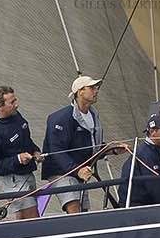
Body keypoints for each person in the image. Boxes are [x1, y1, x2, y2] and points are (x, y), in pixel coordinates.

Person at [41, 75, 127, 214]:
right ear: (80, 91)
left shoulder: (93, 115)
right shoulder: (60, 118)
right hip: (62, 173)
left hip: (81, 172)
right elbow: (56, 150)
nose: (96, 90)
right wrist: (77, 170)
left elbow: (93, 146)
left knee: (84, 210)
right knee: (74, 208)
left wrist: (113, 150)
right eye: (92, 87)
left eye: (96, 87)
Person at [0, 85, 41, 221]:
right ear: (0, 106)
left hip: (27, 173)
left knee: (22, 217)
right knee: (32, 217)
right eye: (12, 102)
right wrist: (17, 159)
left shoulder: (16, 116)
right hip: (13, 179)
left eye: (15, 100)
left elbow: (26, 139)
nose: (17, 105)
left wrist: (35, 151)